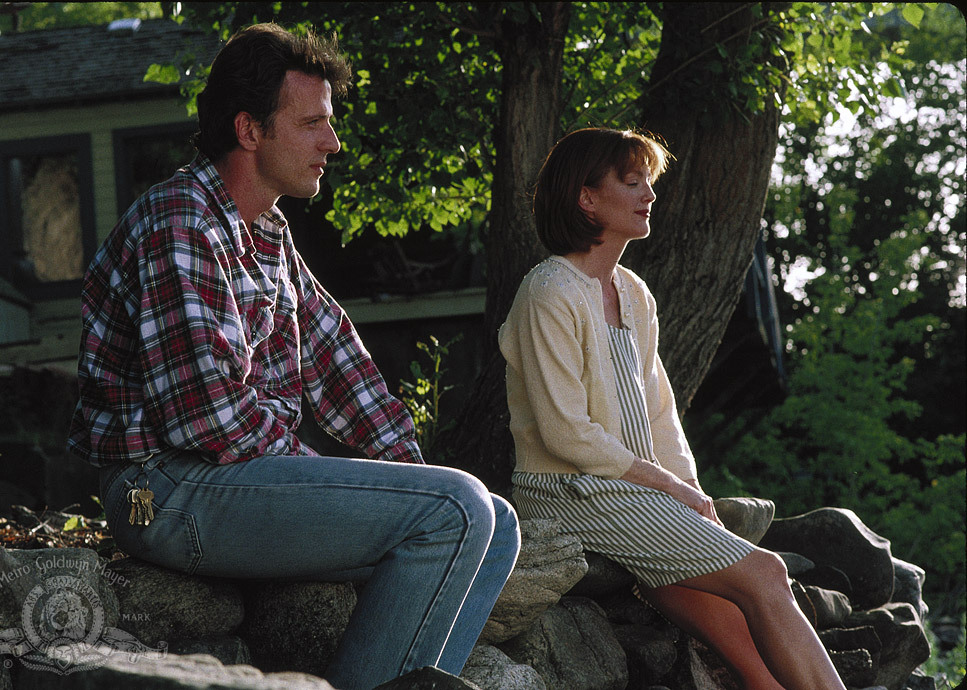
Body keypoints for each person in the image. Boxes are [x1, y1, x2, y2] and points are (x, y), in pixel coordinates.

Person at [68, 23, 519, 690]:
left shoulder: (267, 233)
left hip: (227, 478)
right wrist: (334, 479)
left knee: (491, 523)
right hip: (160, 492)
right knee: (454, 511)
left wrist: (408, 481)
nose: (331, 143)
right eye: (311, 124)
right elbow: (207, 421)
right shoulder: (181, 223)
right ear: (249, 131)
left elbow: (344, 372)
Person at [498, 127, 845, 690]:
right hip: (566, 491)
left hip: (632, 491)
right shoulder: (549, 290)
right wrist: (671, 490)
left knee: (713, 603)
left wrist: (690, 491)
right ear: (586, 199)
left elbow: (660, 412)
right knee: (766, 571)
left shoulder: (633, 292)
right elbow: (565, 434)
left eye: (649, 182)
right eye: (631, 182)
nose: (649, 195)